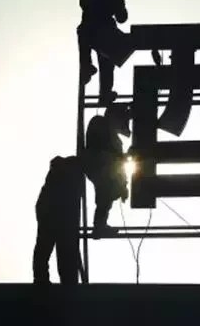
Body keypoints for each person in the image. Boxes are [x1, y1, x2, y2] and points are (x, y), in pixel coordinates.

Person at [77, 0, 161, 105]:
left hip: (88, 31)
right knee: (109, 59)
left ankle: (87, 68)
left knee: (90, 41)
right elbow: (122, 18)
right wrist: (119, 3)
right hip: (105, 33)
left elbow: (83, 3)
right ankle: (103, 90)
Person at [32, 155, 85, 284]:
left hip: (53, 214)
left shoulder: (57, 179)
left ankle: (44, 280)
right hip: (55, 215)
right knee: (59, 249)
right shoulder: (67, 176)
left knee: (49, 248)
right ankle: (54, 282)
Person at [84, 103, 131, 238]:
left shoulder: (115, 139)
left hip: (103, 168)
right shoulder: (99, 123)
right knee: (105, 192)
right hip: (98, 165)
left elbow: (119, 165)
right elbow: (102, 153)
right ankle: (99, 226)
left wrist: (123, 185)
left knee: (107, 193)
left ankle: (100, 225)